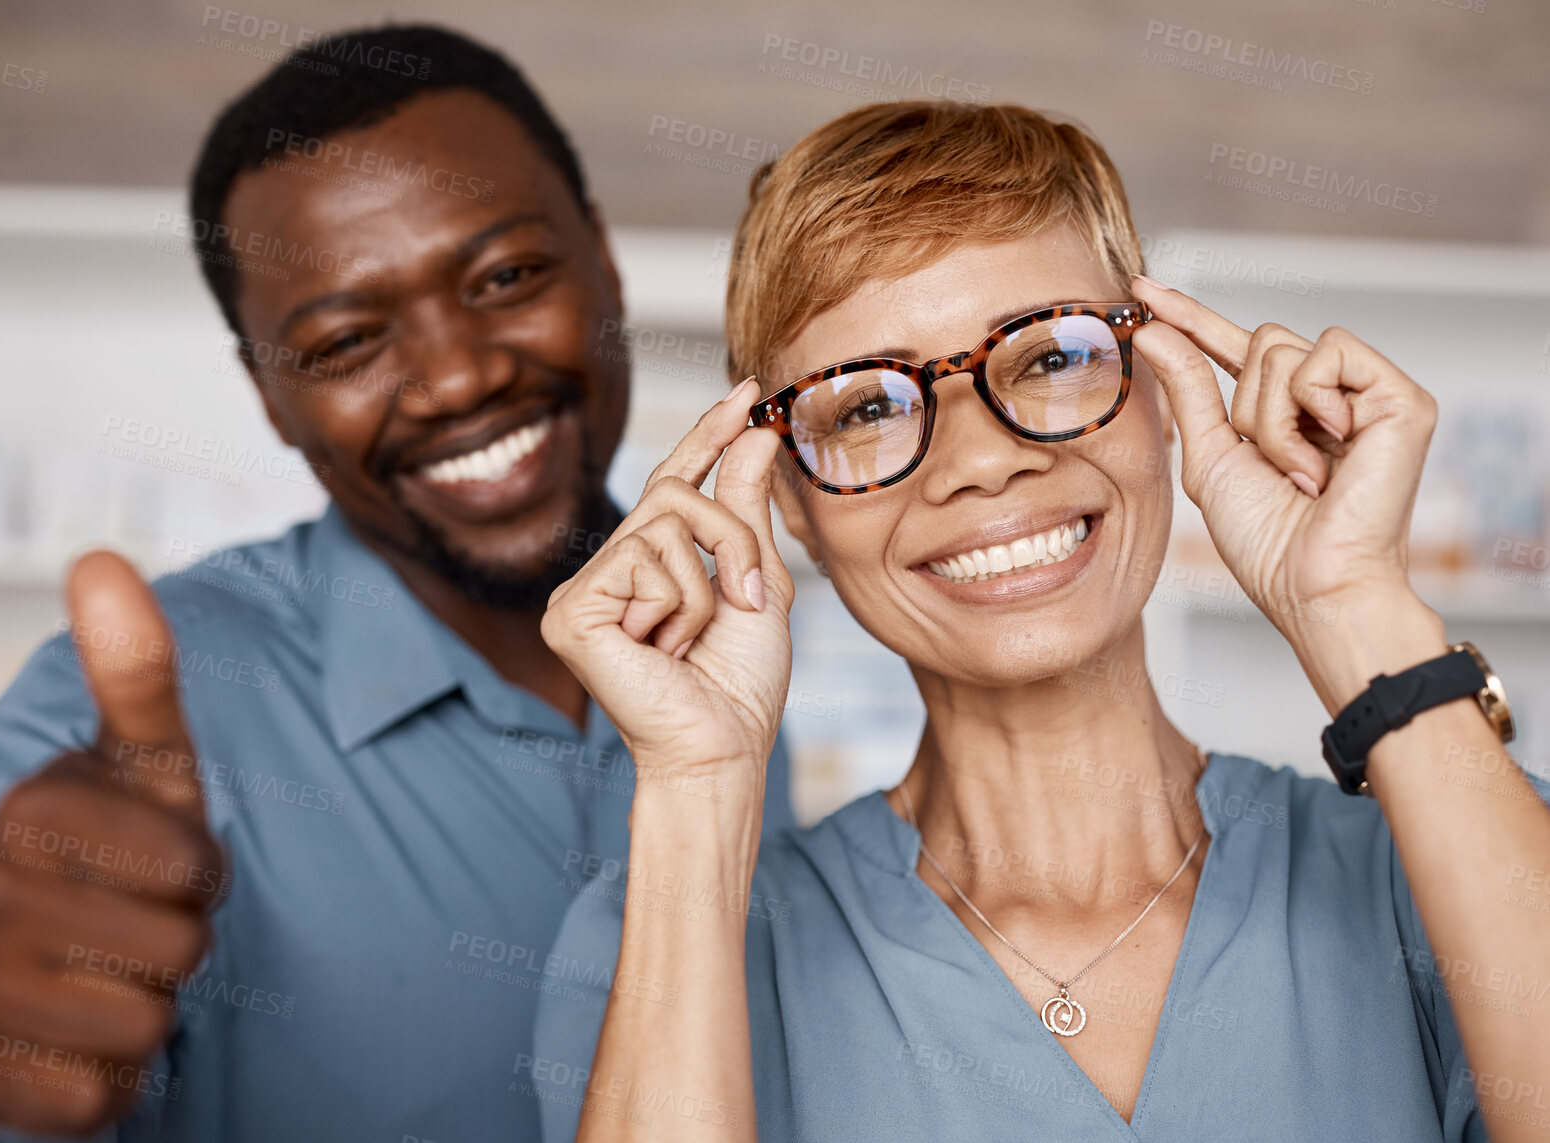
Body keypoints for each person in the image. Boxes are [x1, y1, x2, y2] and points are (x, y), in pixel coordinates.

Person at [0, 24, 794, 1143]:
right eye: (345, 341)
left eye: (508, 276)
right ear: (269, 395)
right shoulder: (146, 716)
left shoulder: (737, 637)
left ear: (603, 261)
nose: (459, 376)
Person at [534, 100, 1550, 1142]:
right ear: (786, 503)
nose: (981, 461)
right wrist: (699, 793)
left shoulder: (1441, 861)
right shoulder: (662, 935)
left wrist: (1352, 605)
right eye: (869, 407)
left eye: (1051, 356)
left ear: (1164, 390)